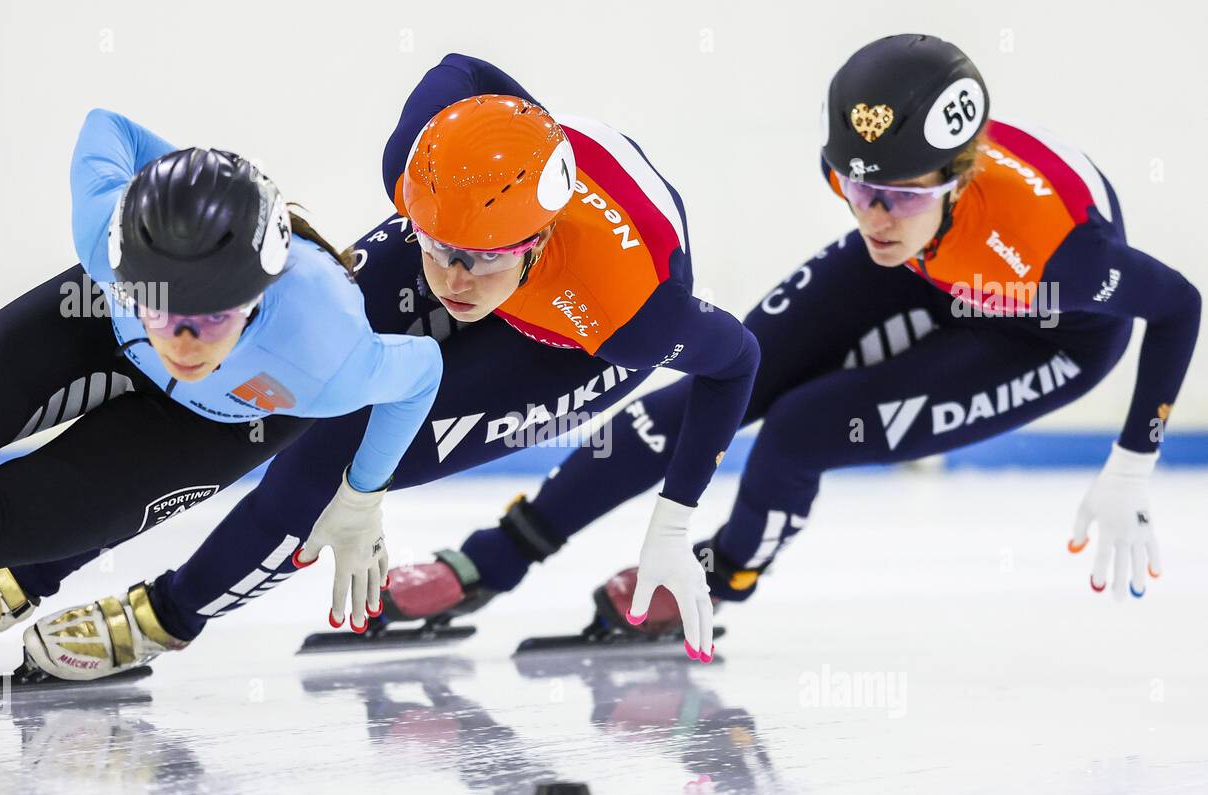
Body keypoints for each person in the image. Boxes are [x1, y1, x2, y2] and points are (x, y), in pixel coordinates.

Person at [374, 33, 1202, 633]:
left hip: (1048, 331)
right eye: (853, 185)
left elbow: (1179, 305)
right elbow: (881, 216)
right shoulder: (889, 203)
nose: (871, 212)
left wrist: (1134, 461)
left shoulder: (1062, 252)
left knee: (802, 432)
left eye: (899, 195)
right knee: (708, 397)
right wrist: (896, 215)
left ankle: (722, 575)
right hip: (925, 270)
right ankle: (490, 560)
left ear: (957, 176)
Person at [0, 53, 760, 670]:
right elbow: (463, 72)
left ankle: (168, 615)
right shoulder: (421, 173)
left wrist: (675, 521)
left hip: (570, 340)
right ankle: (36, 565)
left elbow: (737, 362)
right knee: (271, 386)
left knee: (333, 462)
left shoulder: (633, 314)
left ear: (539, 239)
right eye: (439, 252)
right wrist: (466, 214)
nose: (453, 282)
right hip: (491, 213)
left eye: (479, 263)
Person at [0, 108, 443, 679]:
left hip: (224, 422)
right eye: (158, 308)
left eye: (213, 319)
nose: (183, 343)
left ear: (258, 295)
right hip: (98, 328)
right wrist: (187, 191)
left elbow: (421, 372)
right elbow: (106, 124)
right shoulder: (105, 235)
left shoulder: (323, 348)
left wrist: (363, 495)